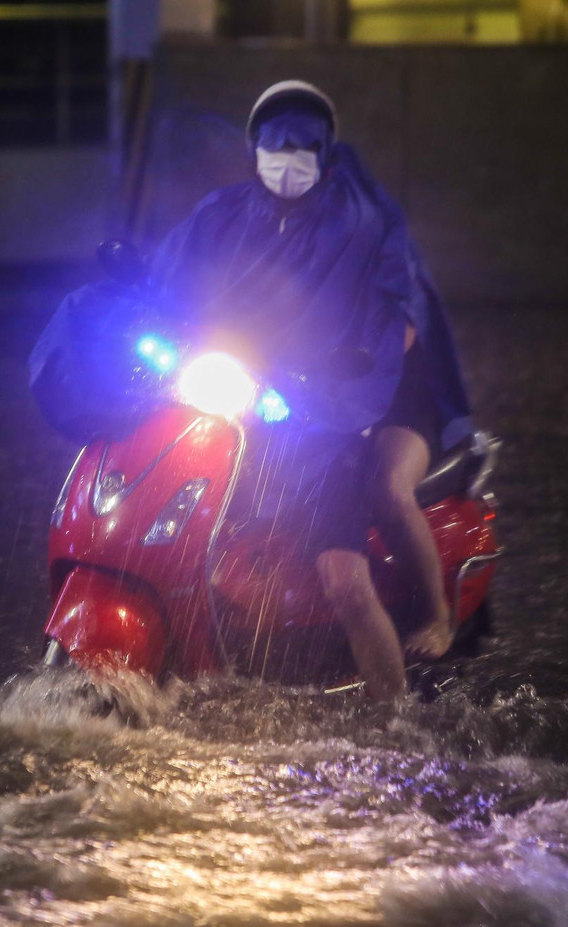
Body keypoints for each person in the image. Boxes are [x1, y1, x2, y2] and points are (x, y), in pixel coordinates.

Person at [146, 80, 475, 699]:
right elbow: (170, 276)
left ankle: (434, 619)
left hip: (378, 394)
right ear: (254, 149)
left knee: (383, 489)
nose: (288, 160)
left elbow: (403, 315)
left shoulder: (362, 220)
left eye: (303, 147)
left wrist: (359, 360)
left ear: (326, 151)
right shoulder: (225, 215)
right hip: (291, 396)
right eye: (277, 147)